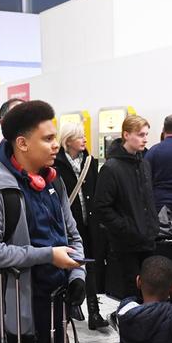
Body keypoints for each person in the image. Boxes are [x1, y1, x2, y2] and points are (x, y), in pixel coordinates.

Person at [0, 100, 85, 343]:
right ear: (22, 143)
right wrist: (46, 255)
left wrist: (78, 274)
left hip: (57, 308)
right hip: (19, 318)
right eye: (47, 139)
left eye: (55, 137)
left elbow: (73, 235)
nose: (55, 145)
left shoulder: (53, 182)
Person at [93, 115, 159, 298]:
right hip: (126, 244)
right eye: (140, 134)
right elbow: (102, 207)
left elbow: (147, 200)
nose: (145, 139)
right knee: (131, 293)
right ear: (126, 135)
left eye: (146, 134)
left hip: (148, 240)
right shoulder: (111, 168)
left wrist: (152, 226)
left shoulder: (144, 164)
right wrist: (126, 228)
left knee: (148, 292)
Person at [55, 122, 108, 330]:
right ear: (67, 141)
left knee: (91, 264)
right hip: (69, 223)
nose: (84, 140)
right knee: (71, 263)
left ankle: (94, 312)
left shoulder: (90, 162)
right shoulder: (57, 165)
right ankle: (72, 304)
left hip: (90, 222)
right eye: (79, 137)